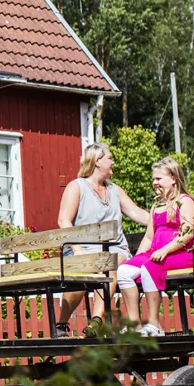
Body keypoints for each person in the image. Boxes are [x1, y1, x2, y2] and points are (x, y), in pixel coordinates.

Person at [54, 143, 150, 337]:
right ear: (97, 161)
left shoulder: (115, 190)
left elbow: (137, 213)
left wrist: (164, 220)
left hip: (115, 247)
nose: (113, 162)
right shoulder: (77, 187)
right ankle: (62, 323)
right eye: (110, 158)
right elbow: (63, 220)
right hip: (82, 248)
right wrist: (77, 249)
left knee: (110, 262)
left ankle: (96, 320)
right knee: (84, 273)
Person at [116, 157, 194, 337]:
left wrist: (164, 250)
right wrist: (135, 259)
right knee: (123, 271)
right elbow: (148, 237)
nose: (155, 183)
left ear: (173, 179)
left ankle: (154, 325)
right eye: (153, 179)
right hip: (158, 253)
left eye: (159, 179)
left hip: (182, 253)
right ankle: (134, 324)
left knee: (149, 267)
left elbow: (187, 234)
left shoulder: (185, 201)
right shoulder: (157, 205)